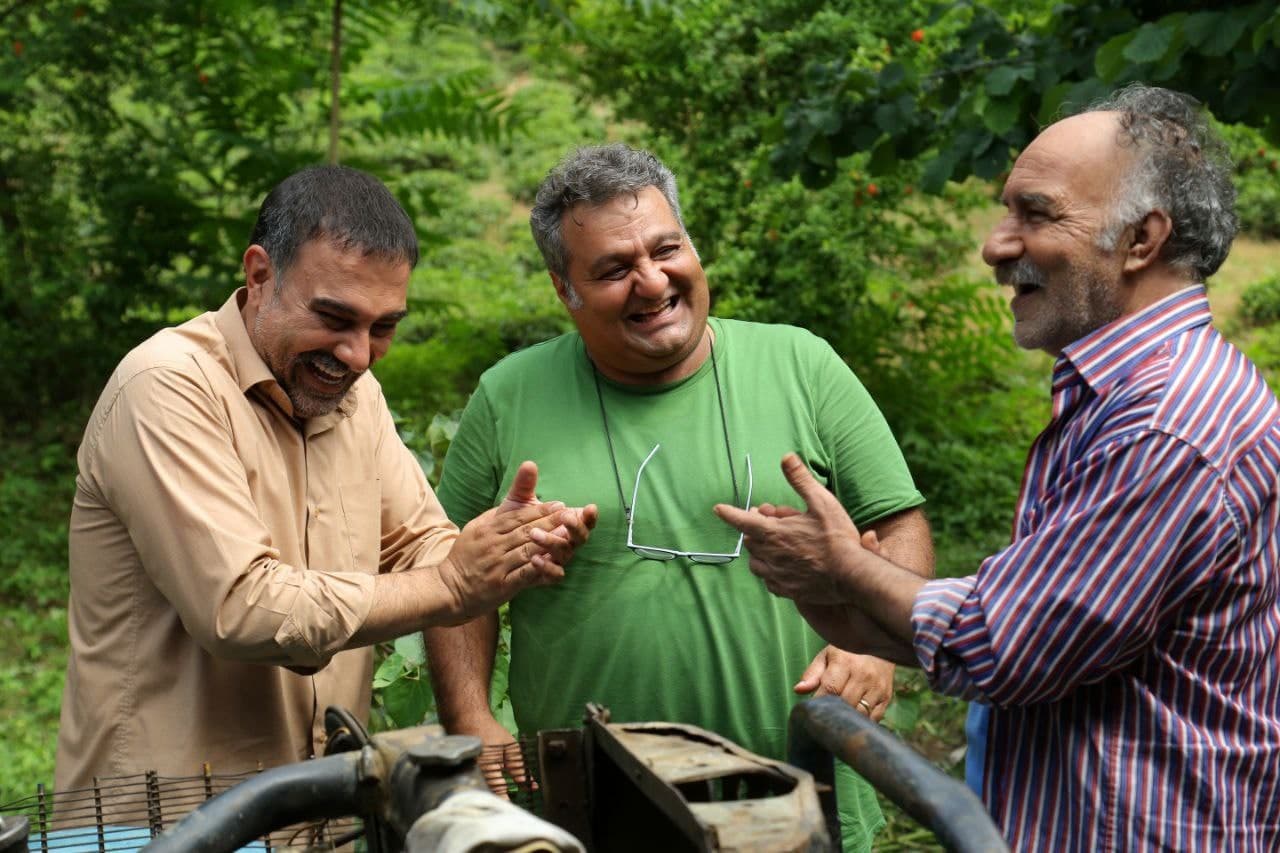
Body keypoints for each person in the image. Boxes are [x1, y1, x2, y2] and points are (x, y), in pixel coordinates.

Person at [717, 85, 1280, 851]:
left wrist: (847, 567)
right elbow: (1035, 623)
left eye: (1036, 213)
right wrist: (840, 596)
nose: (994, 243)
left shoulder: (1165, 420)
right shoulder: (1125, 395)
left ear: (1142, 240)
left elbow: (1006, 643)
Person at [424, 143, 934, 851]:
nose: (651, 279)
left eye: (666, 249)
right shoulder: (508, 394)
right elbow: (451, 575)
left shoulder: (801, 363)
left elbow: (897, 519)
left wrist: (877, 652)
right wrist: (470, 716)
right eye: (613, 269)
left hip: (796, 787)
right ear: (562, 288)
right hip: (586, 802)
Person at [55, 165, 596, 797]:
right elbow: (242, 609)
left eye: (384, 327)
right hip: (161, 826)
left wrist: (513, 543)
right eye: (335, 318)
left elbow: (420, 547)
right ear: (260, 276)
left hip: (314, 816)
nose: (359, 355)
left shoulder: (351, 397)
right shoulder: (167, 387)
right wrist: (453, 582)